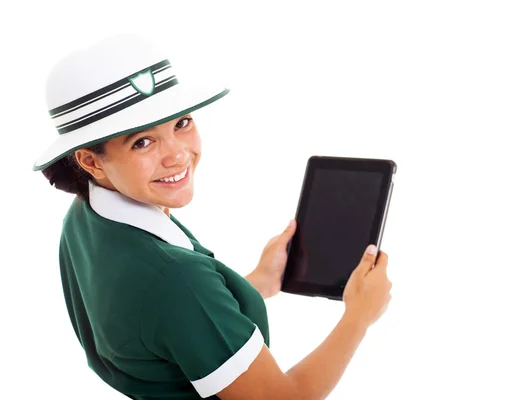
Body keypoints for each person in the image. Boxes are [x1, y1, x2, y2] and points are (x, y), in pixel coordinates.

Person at [34, 34, 392, 400]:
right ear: (91, 161)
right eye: (142, 141)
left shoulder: (84, 218)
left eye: (181, 123)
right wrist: (358, 317)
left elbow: (168, 327)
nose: (177, 154)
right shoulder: (177, 278)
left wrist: (258, 283)